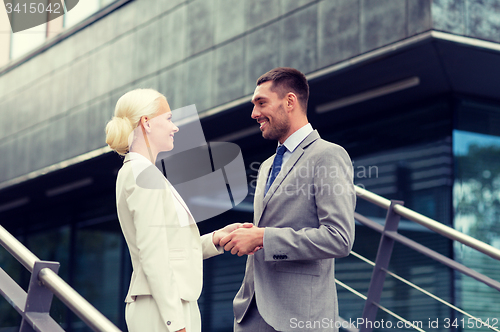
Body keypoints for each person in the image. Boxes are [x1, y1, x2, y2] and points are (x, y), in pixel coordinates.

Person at [220, 68, 356, 332]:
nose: (254, 114)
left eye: (261, 103)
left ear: (290, 102)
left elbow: (339, 238)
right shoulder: (267, 166)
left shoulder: (328, 156)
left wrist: (263, 238)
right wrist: (249, 235)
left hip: (299, 318)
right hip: (251, 313)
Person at [105, 89, 246, 332]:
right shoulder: (142, 173)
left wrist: (215, 239)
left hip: (165, 304)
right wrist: (175, 324)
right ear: (146, 123)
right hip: (162, 309)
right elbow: (153, 253)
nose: (175, 127)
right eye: (169, 118)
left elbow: (168, 248)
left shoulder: (143, 171)